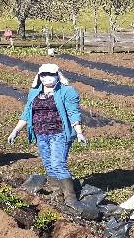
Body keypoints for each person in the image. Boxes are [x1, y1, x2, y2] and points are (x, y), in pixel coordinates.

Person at [7, 63, 88, 205]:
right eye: (43, 75)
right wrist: (16, 130)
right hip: (41, 133)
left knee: (58, 163)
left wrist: (79, 132)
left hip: (59, 133)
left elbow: (73, 112)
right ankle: (57, 193)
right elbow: (27, 114)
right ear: (39, 76)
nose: (47, 78)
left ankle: (70, 197)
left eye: (50, 74)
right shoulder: (34, 92)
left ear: (57, 75)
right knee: (48, 164)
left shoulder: (67, 91)